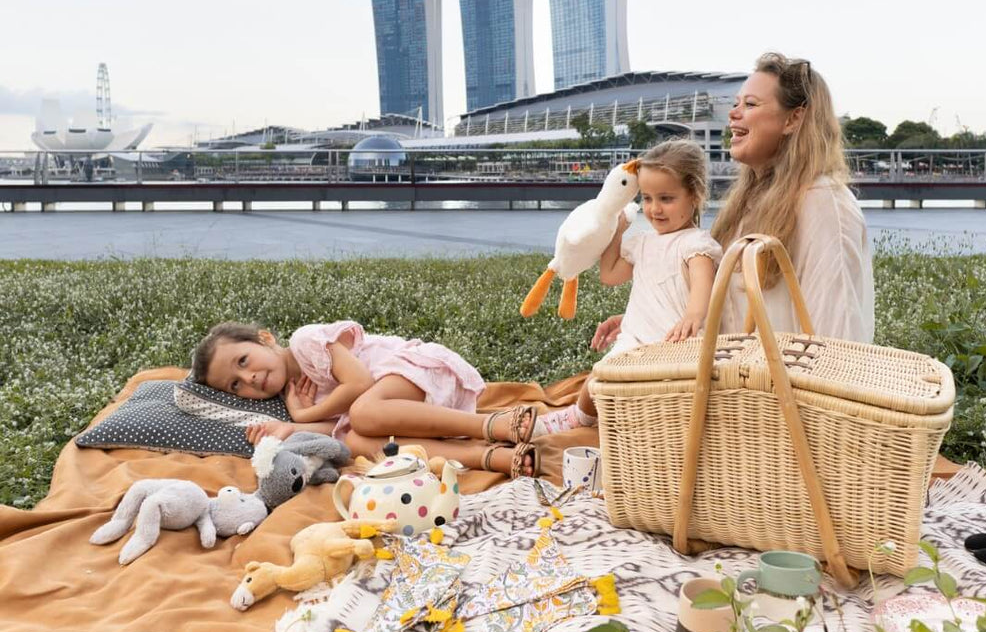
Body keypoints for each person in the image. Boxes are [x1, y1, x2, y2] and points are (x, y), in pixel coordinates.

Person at [590, 53, 874, 354]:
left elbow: (838, 340)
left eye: (750, 104)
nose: (733, 113)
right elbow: (732, 309)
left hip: (775, 395)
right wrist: (647, 322)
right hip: (739, 391)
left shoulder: (823, 204)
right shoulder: (757, 199)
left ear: (793, 119)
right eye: (736, 103)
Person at [536, 139, 723, 434]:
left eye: (666, 198)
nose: (654, 209)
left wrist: (693, 316)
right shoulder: (643, 243)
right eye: (647, 199)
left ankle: (596, 421)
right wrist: (616, 231)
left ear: (695, 196)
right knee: (597, 379)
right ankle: (578, 418)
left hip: (676, 345)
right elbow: (609, 274)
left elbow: (703, 290)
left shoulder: (696, 245)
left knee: (639, 391)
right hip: (636, 338)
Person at [190, 321, 540, 477]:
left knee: (363, 414)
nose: (249, 378)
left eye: (243, 361)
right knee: (355, 441)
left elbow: (358, 384)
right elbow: (340, 426)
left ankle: (493, 424)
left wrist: (304, 413)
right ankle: (488, 457)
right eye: (236, 386)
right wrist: (290, 426)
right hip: (408, 413)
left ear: (264, 339)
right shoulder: (292, 392)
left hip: (419, 374)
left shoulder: (305, 342)